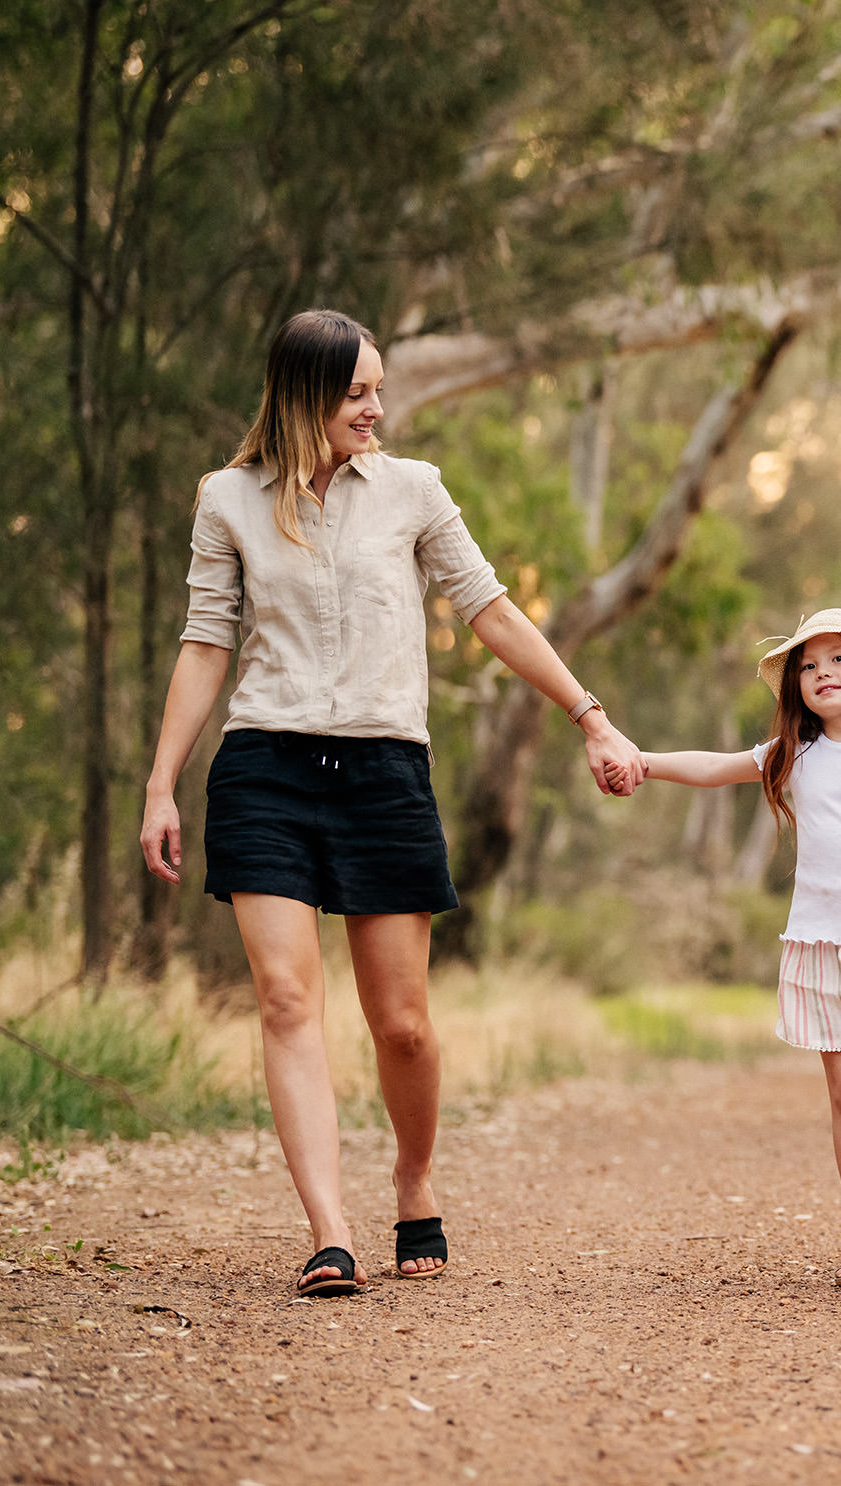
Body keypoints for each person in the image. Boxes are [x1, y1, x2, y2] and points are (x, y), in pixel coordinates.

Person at [140, 309, 645, 1297]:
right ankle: (330, 1232)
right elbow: (206, 642)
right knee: (287, 999)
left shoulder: (414, 490)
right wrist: (163, 781)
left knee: (402, 1021)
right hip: (265, 768)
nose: (377, 406)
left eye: (379, 388)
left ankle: (413, 1175)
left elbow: (490, 608)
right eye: (358, 391)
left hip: (383, 774)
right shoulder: (229, 499)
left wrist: (590, 715)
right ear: (305, 397)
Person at [608, 610, 841, 1288]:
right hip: (817, 945)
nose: (822, 673)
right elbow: (713, 767)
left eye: (839, 659)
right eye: (808, 666)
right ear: (796, 688)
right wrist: (643, 763)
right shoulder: (793, 755)